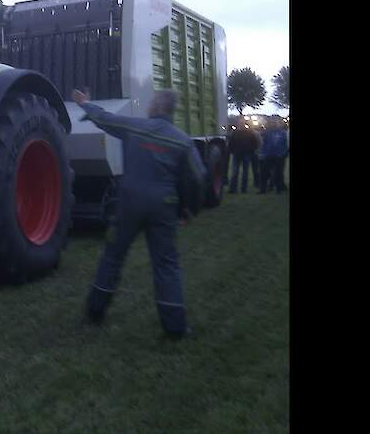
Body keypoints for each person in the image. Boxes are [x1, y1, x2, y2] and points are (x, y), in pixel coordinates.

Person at [72, 88, 206, 340]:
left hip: (128, 204)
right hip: (163, 207)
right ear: (172, 110)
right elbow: (197, 179)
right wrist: (189, 209)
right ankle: (175, 327)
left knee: (113, 256)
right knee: (166, 265)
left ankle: (95, 311)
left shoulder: (134, 127)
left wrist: (86, 104)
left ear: (156, 107)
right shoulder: (182, 141)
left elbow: (105, 119)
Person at [259, 118, 288, 194]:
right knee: (264, 173)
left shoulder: (283, 133)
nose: (274, 124)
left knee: (279, 173)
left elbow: (285, 144)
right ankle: (263, 189)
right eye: (273, 122)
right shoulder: (267, 132)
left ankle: (278, 189)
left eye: (276, 123)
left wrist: (283, 153)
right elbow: (264, 143)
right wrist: (263, 153)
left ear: (279, 124)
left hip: (279, 155)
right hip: (268, 155)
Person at [227, 125, 258, 193]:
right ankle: (236, 188)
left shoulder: (247, 133)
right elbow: (231, 142)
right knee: (237, 172)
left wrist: (231, 150)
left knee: (241, 172)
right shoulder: (237, 133)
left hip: (244, 154)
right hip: (239, 154)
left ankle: (238, 188)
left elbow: (254, 143)